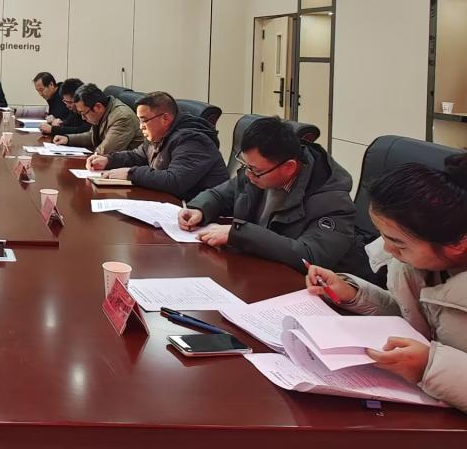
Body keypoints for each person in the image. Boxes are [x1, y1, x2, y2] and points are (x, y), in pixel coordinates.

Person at [305, 154, 467, 413]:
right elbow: (417, 320)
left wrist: (429, 366)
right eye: (383, 235)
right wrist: (354, 295)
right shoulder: (420, 265)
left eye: (398, 243)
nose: (388, 249)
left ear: (458, 244)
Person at [179, 116, 371, 276]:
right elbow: (220, 195)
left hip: (313, 292)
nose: (248, 174)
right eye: (246, 165)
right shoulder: (257, 174)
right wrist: (200, 209)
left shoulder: (332, 201)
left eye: (255, 170)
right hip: (258, 272)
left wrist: (240, 234)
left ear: (289, 168)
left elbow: (310, 256)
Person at [87, 91, 228, 201]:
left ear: (165, 118)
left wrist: (130, 173)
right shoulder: (157, 134)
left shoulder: (193, 140)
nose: (140, 127)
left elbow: (174, 181)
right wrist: (108, 160)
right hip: (173, 204)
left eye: (144, 121)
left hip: (203, 215)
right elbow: (137, 156)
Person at [52, 83, 141, 155]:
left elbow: (105, 152)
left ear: (98, 107)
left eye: (84, 113)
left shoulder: (122, 117)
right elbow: (92, 136)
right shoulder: (103, 112)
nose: (83, 118)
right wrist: (68, 139)